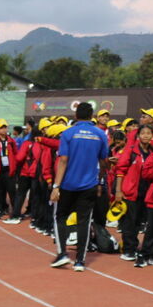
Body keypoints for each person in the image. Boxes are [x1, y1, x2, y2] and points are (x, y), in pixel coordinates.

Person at [50, 102, 109, 271]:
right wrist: (99, 180)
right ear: (92, 116)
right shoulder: (100, 135)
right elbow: (104, 162)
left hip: (68, 184)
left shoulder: (68, 133)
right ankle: (80, 262)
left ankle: (62, 254)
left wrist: (56, 186)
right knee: (84, 221)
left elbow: (63, 160)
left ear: (76, 115)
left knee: (60, 217)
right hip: (89, 185)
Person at [114, 124, 153, 266]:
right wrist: (118, 190)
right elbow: (120, 170)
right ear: (138, 136)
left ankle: (134, 246)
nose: (145, 135)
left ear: (152, 136)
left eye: (148, 133)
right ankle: (128, 250)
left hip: (146, 193)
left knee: (139, 222)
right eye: (143, 133)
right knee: (129, 222)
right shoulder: (131, 150)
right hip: (130, 192)